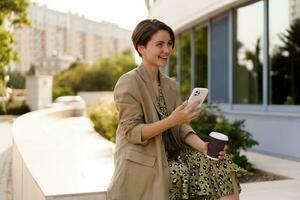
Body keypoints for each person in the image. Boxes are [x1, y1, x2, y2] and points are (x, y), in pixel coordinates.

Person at [107, 19, 244, 200]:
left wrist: (203, 147)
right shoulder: (128, 82)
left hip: (172, 154)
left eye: (169, 44)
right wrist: (172, 120)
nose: (167, 50)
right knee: (181, 172)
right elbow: (133, 132)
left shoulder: (170, 85)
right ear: (141, 48)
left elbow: (181, 128)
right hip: (144, 160)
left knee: (222, 165)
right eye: (160, 44)